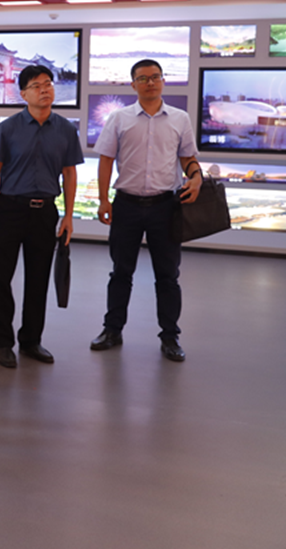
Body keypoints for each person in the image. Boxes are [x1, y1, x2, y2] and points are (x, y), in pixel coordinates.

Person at [91, 59, 201, 362]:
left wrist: (196, 176)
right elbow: (106, 159)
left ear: (163, 81)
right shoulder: (119, 118)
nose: (150, 82)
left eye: (155, 77)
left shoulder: (179, 118)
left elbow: (188, 157)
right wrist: (103, 199)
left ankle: (170, 337)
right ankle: (112, 330)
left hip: (165, 207)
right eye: (143, 78)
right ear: (133, 84)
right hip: (126, 205)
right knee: (120, 272)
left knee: (168, 275)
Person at [0, 65, 84, 369]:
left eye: (48, 84)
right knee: (1, 278)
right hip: (10, 209)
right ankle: (3, 343)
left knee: (38, 279)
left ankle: (31, 341)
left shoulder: (66, 129)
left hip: (45, 212)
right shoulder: (8, 128)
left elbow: (69, 173)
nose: (45, 90)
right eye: (36, 86)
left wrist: (69, 215)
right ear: (23, 94)